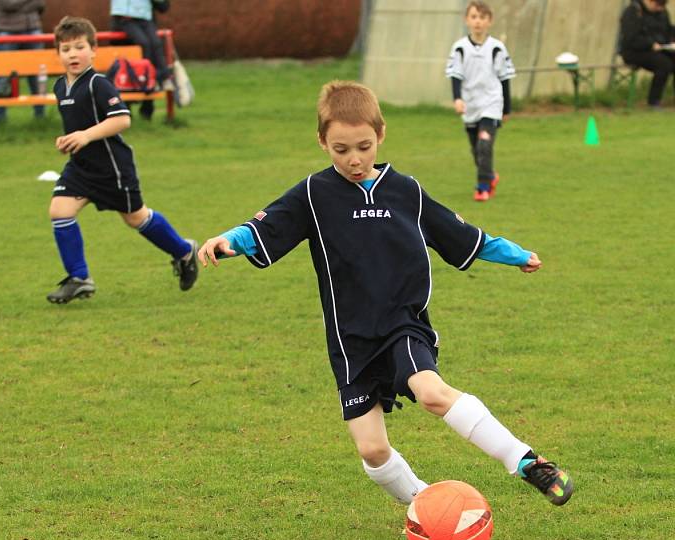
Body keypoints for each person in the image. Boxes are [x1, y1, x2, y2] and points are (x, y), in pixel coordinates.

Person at [198, 80, 574, 511]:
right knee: (373, 452)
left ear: (380, 134)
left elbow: (462, 235)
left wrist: (515, 254)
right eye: (341, 150)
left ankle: (526, 462)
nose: (354, 159)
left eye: (363, 145)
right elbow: (263, 227)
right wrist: (228, 240)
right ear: (322, 142)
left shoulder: (405, 192)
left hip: (401, 324)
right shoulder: (313, 195)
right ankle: (427, 506)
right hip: (350, 340)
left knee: (432, 393)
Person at [46, 16, 198, 304]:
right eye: (66, 49)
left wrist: (86, 136)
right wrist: (69, 139)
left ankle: (184, 251)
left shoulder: (98, 84)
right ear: (58, 54)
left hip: (112, 169)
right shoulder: (60, 87)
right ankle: (79, 278)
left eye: (79, 47)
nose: (73, 54)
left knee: (135, 217)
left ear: (93, 50)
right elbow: (79, 127)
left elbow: (121, 119)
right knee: (59, 210)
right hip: (81, 167)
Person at [445, 1, 514, 202]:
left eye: (482, 18)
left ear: (489, 21)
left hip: (492, 103)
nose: (478, 22)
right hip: (470, 105)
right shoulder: (459, 48)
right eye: (474, 17)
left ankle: (482, 187)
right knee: (477, 149)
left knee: (484, 145)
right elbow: (455, 75)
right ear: (467, 20)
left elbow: (505, 79)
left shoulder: (497, 48)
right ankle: (490, 175)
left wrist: (506, 109)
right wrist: (457, 99)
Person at [110, 0, 173, 120]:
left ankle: (147, 110)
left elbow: (164, 6)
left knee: (152, 51)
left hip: (146, 25)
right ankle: (126, 112)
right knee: (128, 71)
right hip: (125, 26)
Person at [0, 0, 46, 122]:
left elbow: (41, 4)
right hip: (6, 31)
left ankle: (40, 116)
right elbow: (7, 5)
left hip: (33, 29)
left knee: (36, 74)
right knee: (3, 76)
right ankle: (0, 118)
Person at [619, 0, 675, 108]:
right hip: (634, 52)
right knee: (664, 64)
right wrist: (650, 44)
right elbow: (630, 39)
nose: (661, 8)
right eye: (658, 5)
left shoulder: (662, 12)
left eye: (663, 5)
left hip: (660, 50)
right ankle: (653, 101)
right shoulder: (633, 11)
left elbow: (668, 30)